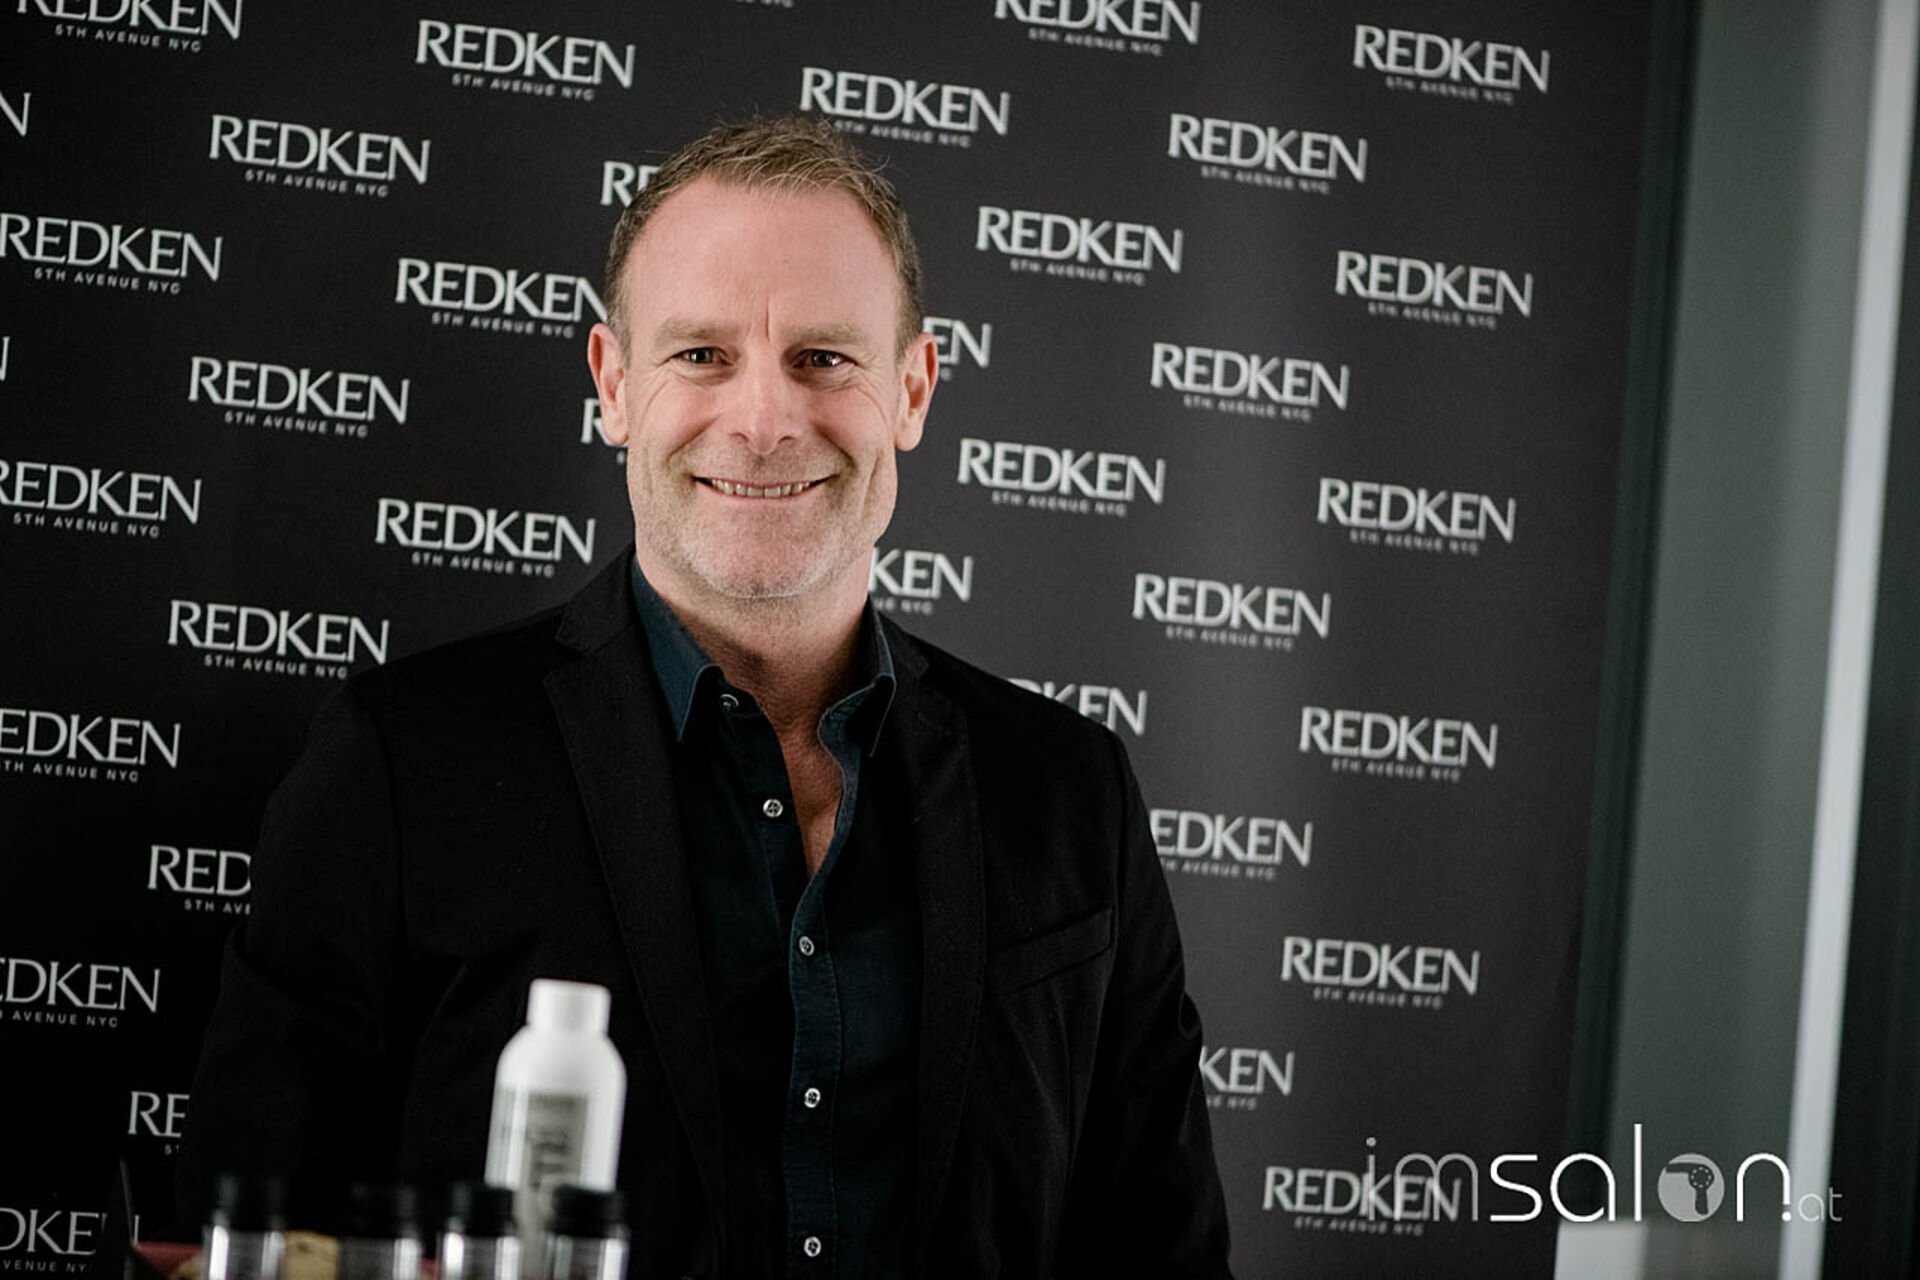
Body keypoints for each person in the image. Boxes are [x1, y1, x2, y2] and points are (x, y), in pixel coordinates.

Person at [180, 115, 1231, 1278]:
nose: (766, 420)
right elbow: (246, 1240)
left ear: (913, 388)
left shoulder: (1071, 792)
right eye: (700, 354)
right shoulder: (401, 765)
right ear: (614, 384)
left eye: (823, 357)